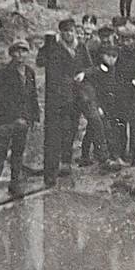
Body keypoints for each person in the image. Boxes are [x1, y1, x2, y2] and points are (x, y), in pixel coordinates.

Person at [38, 18, 93, 187]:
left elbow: (89, 66)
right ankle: (52, 172)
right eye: (66, 31)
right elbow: (40, 62)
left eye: (71, 31)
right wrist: (46, 45)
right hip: (59, 97)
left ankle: (66, 162)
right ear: (61, 33)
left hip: (76, 95)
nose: (69, 34)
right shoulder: (54, 48)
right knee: (55, 133)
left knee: (71, 128)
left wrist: (83, 74)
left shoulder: (81, 46)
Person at [0, 40, 41, 204]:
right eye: (17, 52)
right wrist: (15, 117)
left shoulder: (30, 72)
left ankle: (14, 183)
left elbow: (32, 96)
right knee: (0, 154)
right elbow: (2, 98)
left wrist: (34, 117)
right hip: (5, 120)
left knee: (18, 154)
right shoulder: (4, 73)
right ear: (11, 54)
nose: (20, 55)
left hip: (23, 121)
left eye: (24, 51)